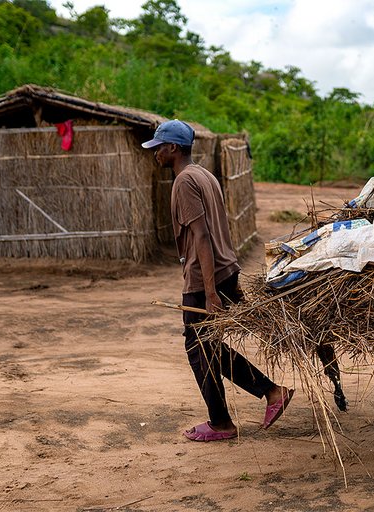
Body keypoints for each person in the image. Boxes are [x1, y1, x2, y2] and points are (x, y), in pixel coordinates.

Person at [143, 120, 293, 441]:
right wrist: (228, 279)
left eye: (159, 147)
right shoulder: (205, 175)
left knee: (197, 347)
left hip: (204, 278)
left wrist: (210, 291)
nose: (155, 153)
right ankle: (271, 392)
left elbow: (202, 236)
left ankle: (222, 422)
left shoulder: (184, 181)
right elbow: (219, 229)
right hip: (225, 269)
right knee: (207, 345)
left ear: (173, 148)